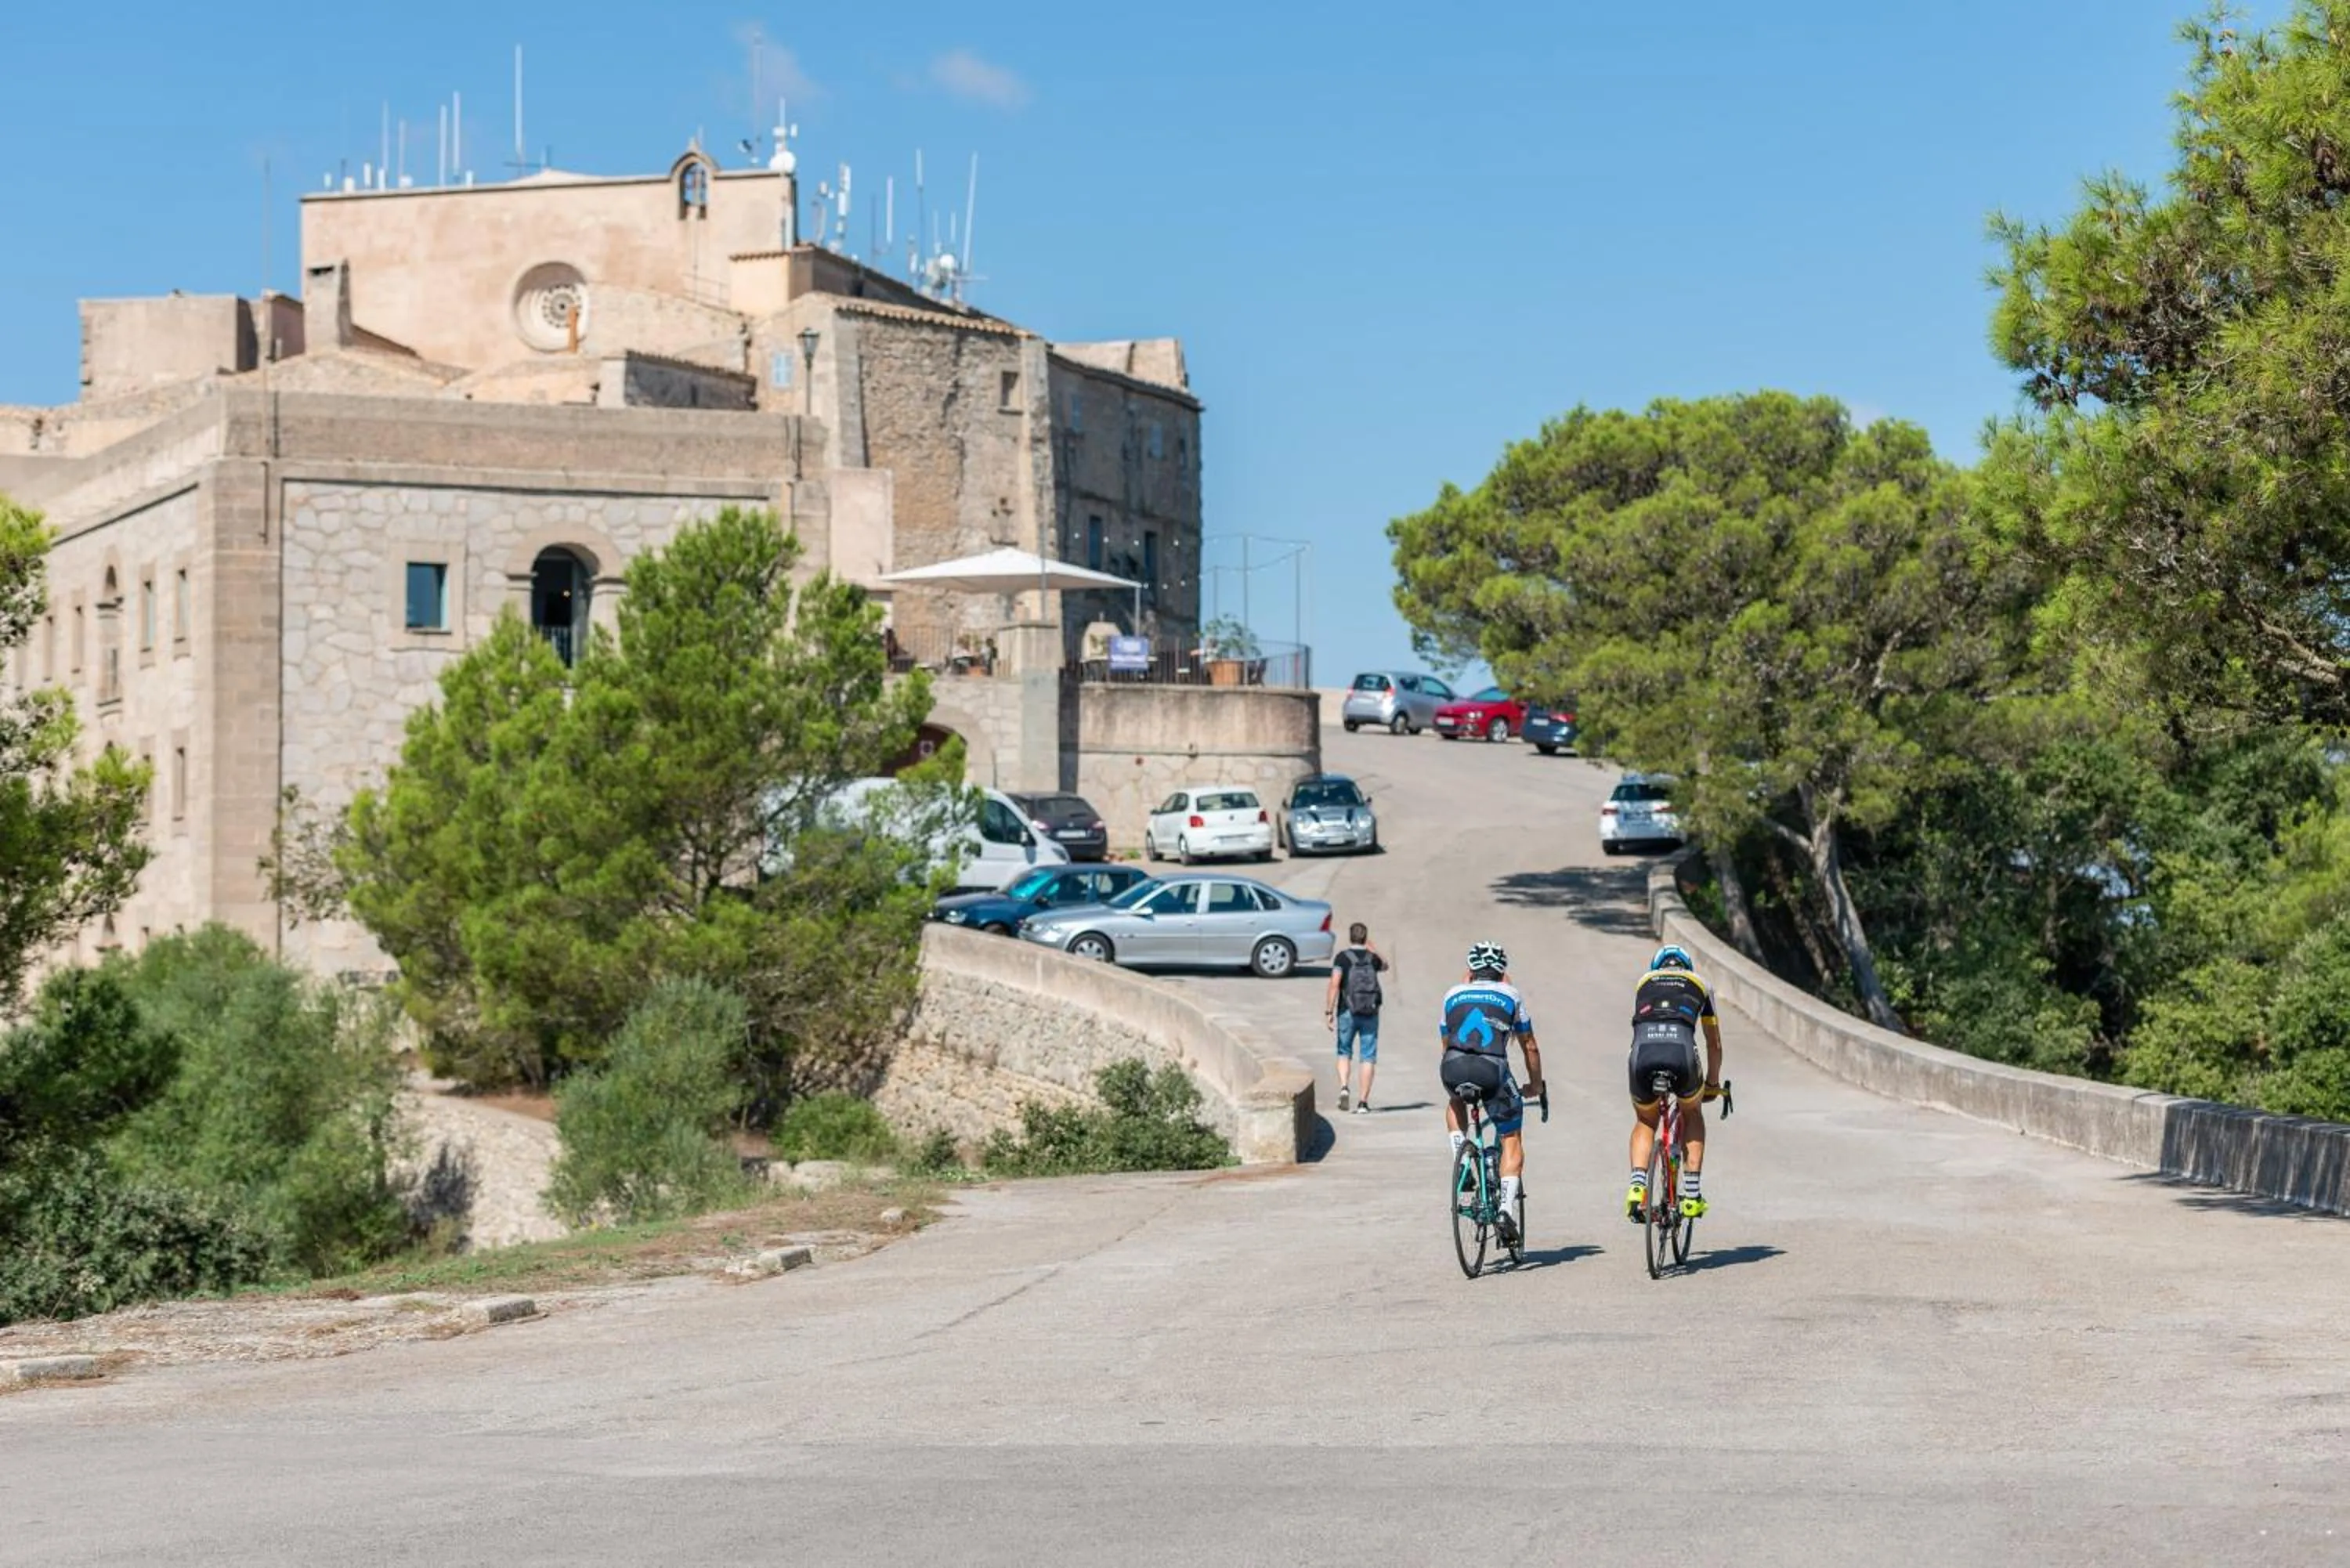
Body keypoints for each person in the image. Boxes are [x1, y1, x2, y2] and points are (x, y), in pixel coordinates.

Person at [1439, 941, 1544, 1247]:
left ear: (1470, 971)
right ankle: (1505, 1211)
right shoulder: (1511, 994)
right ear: (1502, 972)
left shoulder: (1452, 994)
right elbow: (1530, 1046)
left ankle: (1460, 1154)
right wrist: (1535, 1085)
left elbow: (1446, 1043)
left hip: (1453, 1067)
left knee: (1454, 1101)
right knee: (1511, 1138)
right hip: (1492, 1070)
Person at [1625, 943, 1726, 1223]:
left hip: (1643, 1054)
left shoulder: (1643, 982)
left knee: (1646, 1121)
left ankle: (1637, 1184)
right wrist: (1713, 1084)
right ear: (1687, 968)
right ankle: (1692, 1196)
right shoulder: (1700, 983)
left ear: (1657, 968)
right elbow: (1713, 1043)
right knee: (1692, 1112)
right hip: (1681, 1052)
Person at [1324, 923, 1387, 1114]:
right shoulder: (1372, 958)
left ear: (1350, 937)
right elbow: (1385, 965)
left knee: (1344, 1051)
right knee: (1368, 1056)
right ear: (1365, 938)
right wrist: (1374, 949)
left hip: (1347, 1012)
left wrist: (1329, 1011)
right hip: (1370, 1012)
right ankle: (1363, 1103)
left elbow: (1335, 984)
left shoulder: (1342, 958)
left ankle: (1344, 1087)